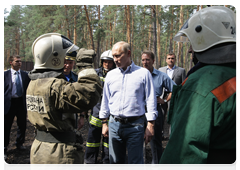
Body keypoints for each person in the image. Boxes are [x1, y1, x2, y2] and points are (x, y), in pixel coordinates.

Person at [159, 6, 238, 170]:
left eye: (193, 43)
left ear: (208, 40)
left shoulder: (201, 84)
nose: (189, 50)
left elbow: (184, 154)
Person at [26, 33, 102, 170]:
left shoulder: (34, 82)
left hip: (40, 148)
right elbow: (89, 94)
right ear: (55, 57)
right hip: (58, 154)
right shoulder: (55, 86)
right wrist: (84, 65)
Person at [99, 41, 158, 170]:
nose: (115, 60)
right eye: (113, 56)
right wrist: (104, 122)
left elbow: (150, 100)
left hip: (135, 126)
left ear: (129, 53)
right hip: (114, 125)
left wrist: (150, 124)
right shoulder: (110, 75)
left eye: (118, 55)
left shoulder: (143, 74)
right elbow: (106, 100)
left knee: (135, 165)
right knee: (115, 164)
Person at [141, 50, 176, 169]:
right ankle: (140, 164)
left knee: (155, 139)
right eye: (143, 60)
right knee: (138, 138)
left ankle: (157, 165)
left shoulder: (161, 76)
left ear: (153, 61)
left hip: (155, 111)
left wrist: (165, 100)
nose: (145, 62)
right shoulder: (138, 74)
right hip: (139, 111)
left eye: (147, 60)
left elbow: (175, 89)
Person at [84, 50, 116, 168]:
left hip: (111, 112)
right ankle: (90, 159)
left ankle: (107, 159)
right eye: (105, 62)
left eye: (109, 62)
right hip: (96, 111)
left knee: (108, 140)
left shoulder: (117, 74)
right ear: (101, 62)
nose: (107, 64)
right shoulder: (96, 74)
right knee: (92, 139)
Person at [4, 55, 31, 160]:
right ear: (11, 62)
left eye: (20, 61)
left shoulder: (25, 75)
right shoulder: (5, 75)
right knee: (6, 127)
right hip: (8, 104)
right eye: (17, 61)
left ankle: (19, 143)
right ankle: (4, 148)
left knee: (22, 125)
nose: (19, 63)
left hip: (21, 103)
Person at [158, 53, 186, 137]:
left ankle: (171, 134)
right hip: (162, 95)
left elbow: (183, 84)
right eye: (169, 58)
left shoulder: (181, 71)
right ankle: (160, 133)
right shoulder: (161, 70)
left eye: (172, 58)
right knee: (161, 115)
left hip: (174, 96)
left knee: (172, 114)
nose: (171, 60)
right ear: (166, 60)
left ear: (175, 60)